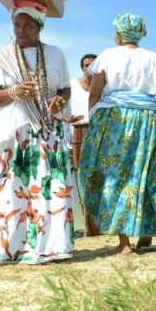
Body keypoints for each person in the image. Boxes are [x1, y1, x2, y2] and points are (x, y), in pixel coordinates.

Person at [0, 0, 74, 264]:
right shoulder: (1, 56)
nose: (21, 30)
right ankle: (3, 247)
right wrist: (15, 92)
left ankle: (50, 247)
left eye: (28, 26)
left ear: (39, 28)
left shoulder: (56, 54)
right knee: (12, 187)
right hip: (13, 132)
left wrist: (59, 100)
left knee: (47, 186)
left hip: (46, 129)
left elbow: (65, 88)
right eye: (17, 25)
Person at [78, 14, 156, 255]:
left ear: (118, 33)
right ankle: (148, 227)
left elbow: (95, 92)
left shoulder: (107, 54)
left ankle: (124, 243)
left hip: (114, 119)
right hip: (147, 118)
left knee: (116, 175)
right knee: (145, 173)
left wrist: (94, 119)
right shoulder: (154, 57)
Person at [67, 53, 99, 236]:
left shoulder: (105, 87)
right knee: (73, 186)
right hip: (72, 141)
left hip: (97, 141)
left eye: (94, 65)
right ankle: (84, 227)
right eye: (87, 65)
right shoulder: (71, 85)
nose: (90, 69)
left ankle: (97, 228)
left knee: (97, 184)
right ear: (82, 68)